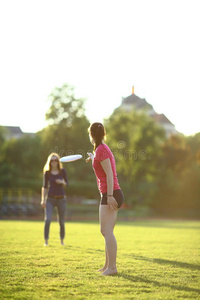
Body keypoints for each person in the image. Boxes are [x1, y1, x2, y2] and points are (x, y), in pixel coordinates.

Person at [86, 122, 124, 275]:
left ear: (91, 135)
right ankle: (107, 265)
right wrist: (92, 157)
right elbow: (102, 164)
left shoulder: (101, 150)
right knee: (107, 231)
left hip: (111, 193)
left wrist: (109, 196)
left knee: (106, 231)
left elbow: (109, 174)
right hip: (111, 193)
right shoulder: (101, 149)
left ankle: (112, 268)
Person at [41, 153, 68, 246]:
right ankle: (46, 240)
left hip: (61, 199)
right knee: (48, 219)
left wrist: (62, 182)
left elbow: (66, 184)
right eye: (52, 160)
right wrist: (42, 199)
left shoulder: (63, 171)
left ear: (58, 161)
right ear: (50, 161)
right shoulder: (47, 172)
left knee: (61, 221)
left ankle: (61, 240)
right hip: (50, 199)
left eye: (56, 160)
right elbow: (44, 187)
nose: (54, 162)